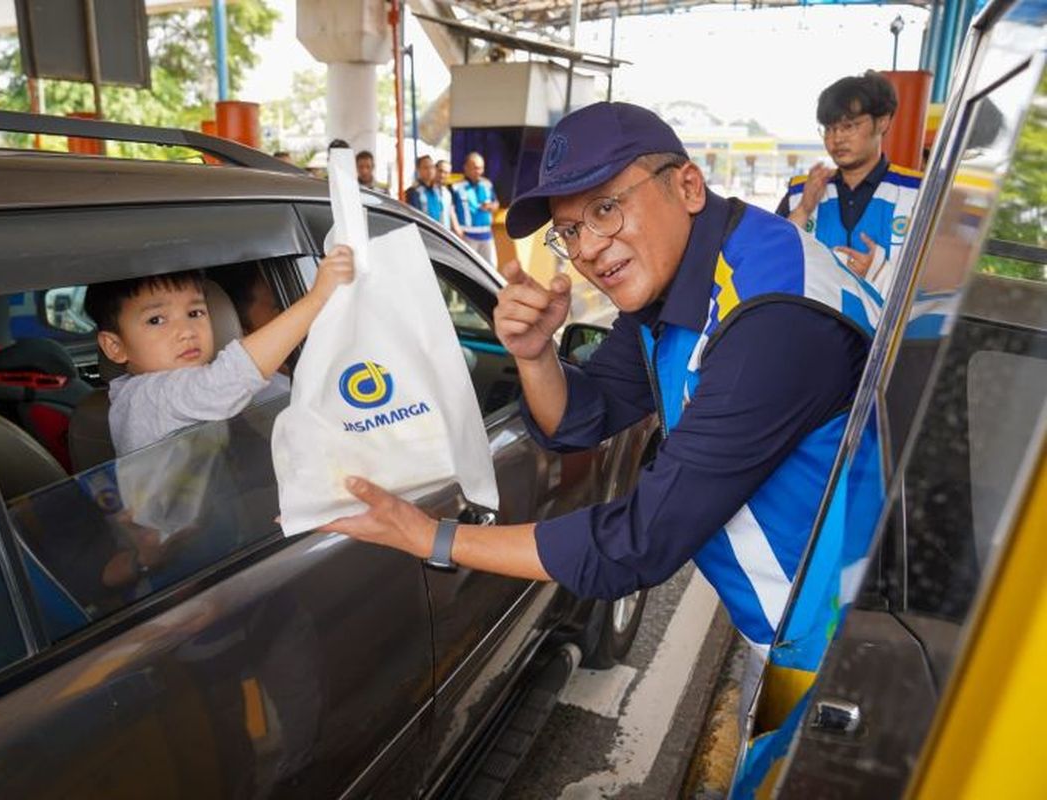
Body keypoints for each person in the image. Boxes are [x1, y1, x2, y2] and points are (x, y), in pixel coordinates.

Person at [316, 102, 881, 669]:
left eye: (606, 208)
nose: (586, 249)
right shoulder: (689, 274)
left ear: (687, 187)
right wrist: (535, 353)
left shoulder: (769, 324)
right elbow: (585, 417)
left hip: (849, 644)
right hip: (808, 625)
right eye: (568, 230)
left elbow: (639, 542)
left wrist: (429, 537)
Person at [84, 246, 354, 456]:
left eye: (195, 313)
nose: (187, 331)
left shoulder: (180, 393)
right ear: (115, 347)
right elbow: (227, 380)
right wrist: (317, 298)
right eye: (156, 320)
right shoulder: (145, 397)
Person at [778, 71, 922, 297]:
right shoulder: (799, 193)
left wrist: (882, 275)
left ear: (882, 122)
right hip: (813, 319)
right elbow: (773, 260)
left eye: (849, 126)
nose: (837, 139)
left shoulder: (918, 192)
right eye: (829, 129)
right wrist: (803, 210)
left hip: (886, 321)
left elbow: (941, 285)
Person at [452, 152, 499, 264]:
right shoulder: (456, 187)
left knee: (491, 267)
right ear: (466, 168)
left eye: (481, 168)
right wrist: (456, 228)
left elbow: (496, 203)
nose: (479, 171)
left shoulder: (487, 184)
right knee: (468, 268)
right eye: (475, 168)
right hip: (466, 235)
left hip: (487, 235)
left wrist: (491, 206)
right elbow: (451, 209)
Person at [406, 154, 461, 236]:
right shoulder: (414, 192)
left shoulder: (441, 190)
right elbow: (413, 217)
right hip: (425, 234)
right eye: (425, 168)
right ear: (418, 170)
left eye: (431, 167)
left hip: (442, 234)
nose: (429, 170)